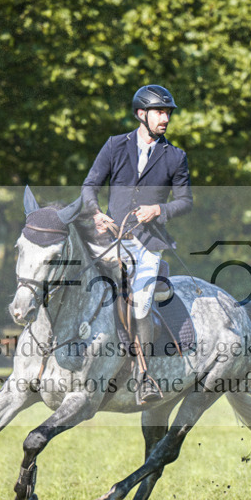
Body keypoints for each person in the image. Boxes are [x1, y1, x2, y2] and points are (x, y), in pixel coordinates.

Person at [81, 84, 193, 403]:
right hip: (109, 240)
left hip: (148, 244)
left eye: (168, 113)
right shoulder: (115, 146)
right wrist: (96, 213)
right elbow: (90, 185)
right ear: (141, 114)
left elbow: (185, 202)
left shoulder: (175, 156)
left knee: (140, 305)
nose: (166, 119)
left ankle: (144, 376)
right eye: (160, 112)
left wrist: (159, 209)